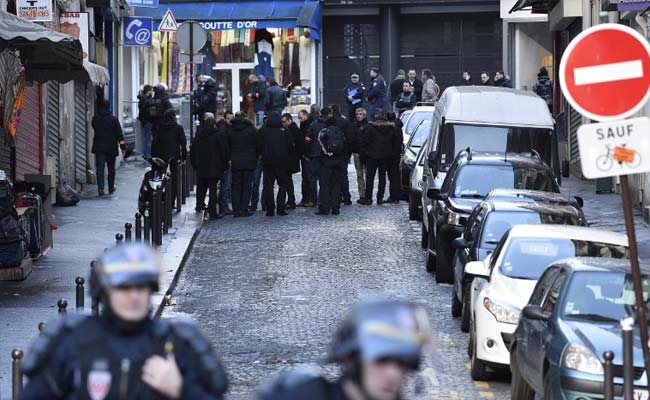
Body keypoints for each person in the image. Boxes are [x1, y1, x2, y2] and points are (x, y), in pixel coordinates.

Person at [20, 243, 229, 399]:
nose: (134, 296)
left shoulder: (177, 342)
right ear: (104, 292)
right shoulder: (72, 341)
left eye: (141, 288)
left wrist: (181, 390)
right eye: (124, 288)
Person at [256, 299, 430, 400]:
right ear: (350, 360)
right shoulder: (303, 394)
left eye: (402, 363)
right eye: (381, 360)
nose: (393, 373)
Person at [191, 113, 230, 220]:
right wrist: (225, 164)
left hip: (201, 166)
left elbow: (193, 151)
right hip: (214, 167)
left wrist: (194, 164)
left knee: (201, 188)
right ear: (214, 124)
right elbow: (224, 151)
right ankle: (212, 212)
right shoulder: (218, 135)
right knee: (212, 190)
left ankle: (199, 205)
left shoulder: (199, 135)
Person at [360, 110, 402, 205]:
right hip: (386, 157)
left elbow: (364, 142)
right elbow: (395, 143)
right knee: (382, 178)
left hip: (371, 156)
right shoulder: (391, 128)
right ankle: (379, 198)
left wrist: (364, 155)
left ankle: (368, 198)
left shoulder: (370, 127)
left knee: (370, 178)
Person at [257, 111, 294, 217]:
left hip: (268, 162)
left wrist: (262, 154)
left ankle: (270, 209)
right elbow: (290, 145)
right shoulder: (284, 131)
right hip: (282, 162)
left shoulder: (263, 131)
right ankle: (280, 208)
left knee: (268, 186)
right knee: (282, 185)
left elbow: (258, 145)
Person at [92, 99, 125, 196]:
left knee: (100, 169)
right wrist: (123, 147)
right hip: (111, 148)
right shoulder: (113, 119)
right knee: (111, 169)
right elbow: (119, 134)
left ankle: (101, 189)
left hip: (99, 148)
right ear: (109, 107)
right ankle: (110, 188)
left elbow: (94, 127)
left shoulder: (95, 119)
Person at [316, 116, 347, 216]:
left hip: (326, 163)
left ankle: (325, 208)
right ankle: (335, 208)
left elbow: (319, 147)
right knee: (336, 186)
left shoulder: (323, 132)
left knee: (325, 186)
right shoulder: (341, 133)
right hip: (338, 163)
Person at [229, 112, 258, 217]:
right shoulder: (251, 129)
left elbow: (227, 145)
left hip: (236, 161)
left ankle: (236, 210)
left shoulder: (231, 130)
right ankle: (244, 208)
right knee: (247, 186)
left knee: (236, 186)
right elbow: (257, 144)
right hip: (249, 161)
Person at [306, 107, 329, 209]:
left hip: (314, 153)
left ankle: (313, 199)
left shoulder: (313, 125)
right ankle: (322, 199)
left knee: (312, 178)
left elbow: (307, 138)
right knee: (324, 178)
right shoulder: (329, 125)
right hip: (325, 154)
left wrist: (307, 151)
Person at [330, 104, 353, 206]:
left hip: (332, 153)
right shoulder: (345, 121)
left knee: (332, 177)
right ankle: (346, 197)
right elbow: (350, 137)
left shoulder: (330, 122)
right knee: (343, 176)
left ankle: (336, 197)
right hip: (343, 152)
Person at [281, 113, 304, 209]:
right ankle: (291, 200)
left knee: (287, 181)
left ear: (289, 120)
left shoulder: (291, 130)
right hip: (291, 159)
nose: (283, 123)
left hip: (289, 159)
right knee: (288, 181)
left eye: (284, 121)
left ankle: (291, 200)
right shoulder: (293, 129)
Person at [217, 111, 235, 216]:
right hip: (224, 162)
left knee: (225, 185)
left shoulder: (225, 129)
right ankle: (223, 208)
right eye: (229, 118)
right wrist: (228, 159)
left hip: (223, 161)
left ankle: (223, 207)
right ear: (225, 118)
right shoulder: (224, 130)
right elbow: (225, 148)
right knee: (225, 185)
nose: (230, 121)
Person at [297, 109, 315, 207]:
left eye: (300, 117)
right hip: (305, 155)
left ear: (305, 115)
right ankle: (306, 198)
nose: (299, 120)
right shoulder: (305, 124)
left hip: (308, 155)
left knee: (308, 178)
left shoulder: (309, 125)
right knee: (306, 178)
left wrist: (306, 153)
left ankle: (310, 199)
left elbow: (308, 141)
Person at [385, 113, 403, 203]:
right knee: (395, 176)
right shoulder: (398, 128)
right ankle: (396, 195)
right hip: (396, 155)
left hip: (392, 156)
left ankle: (394, 196)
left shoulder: (393, 129)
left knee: (393, 177)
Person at [352, 108, 369, 205]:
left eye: (361, 114)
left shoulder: (368, 126)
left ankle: (367, 194)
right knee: (359, 175)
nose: (359, 116)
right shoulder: (354, 126)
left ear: (364, 115)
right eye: (357, 114)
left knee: (367, 174)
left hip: (366, 153)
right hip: (357, 153)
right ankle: (362, 195)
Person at [137, 84, 154, 159]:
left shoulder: (144, 99)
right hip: (147, 121)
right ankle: (148, 156)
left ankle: (146, 155)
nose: (152, 92)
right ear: (148, 91)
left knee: (147, 139)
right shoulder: (145, 100)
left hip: (146, 121)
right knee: (148, 140)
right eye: (151, 91)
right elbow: (144, 111)